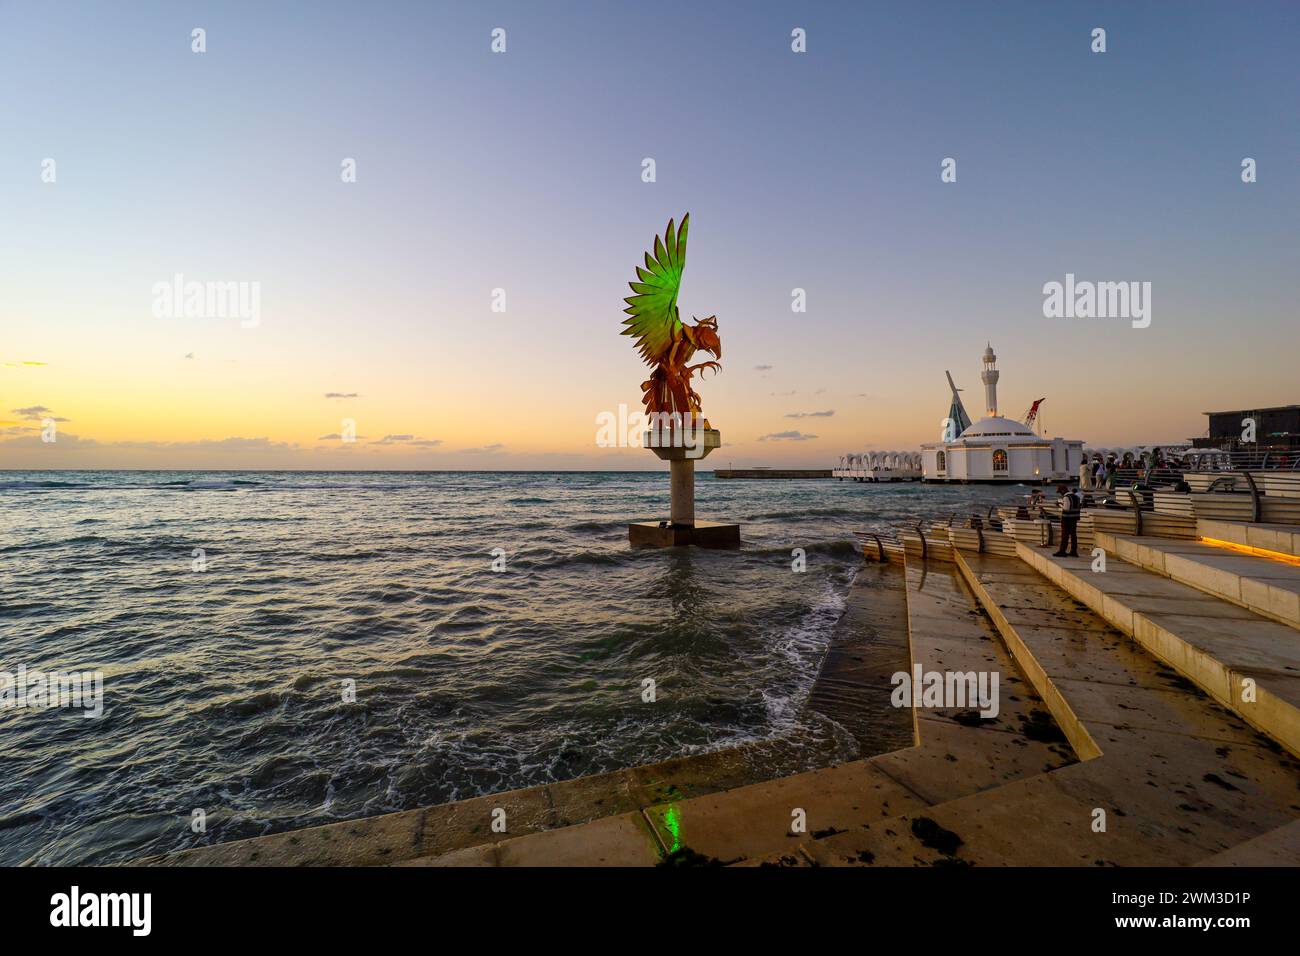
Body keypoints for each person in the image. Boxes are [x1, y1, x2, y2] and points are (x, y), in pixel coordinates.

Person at [1053, 483, 1081, 557]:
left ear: (1063, 491)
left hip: (1067, 519)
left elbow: (1066, 508)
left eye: (1060, 492)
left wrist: (1059, 504)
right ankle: (1073, 551)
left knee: (1065, 536)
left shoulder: (1066, 497)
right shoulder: (1076, 497)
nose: (1060, 494)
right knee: (1073, 536)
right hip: (1074, 518)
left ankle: (1062, 551)